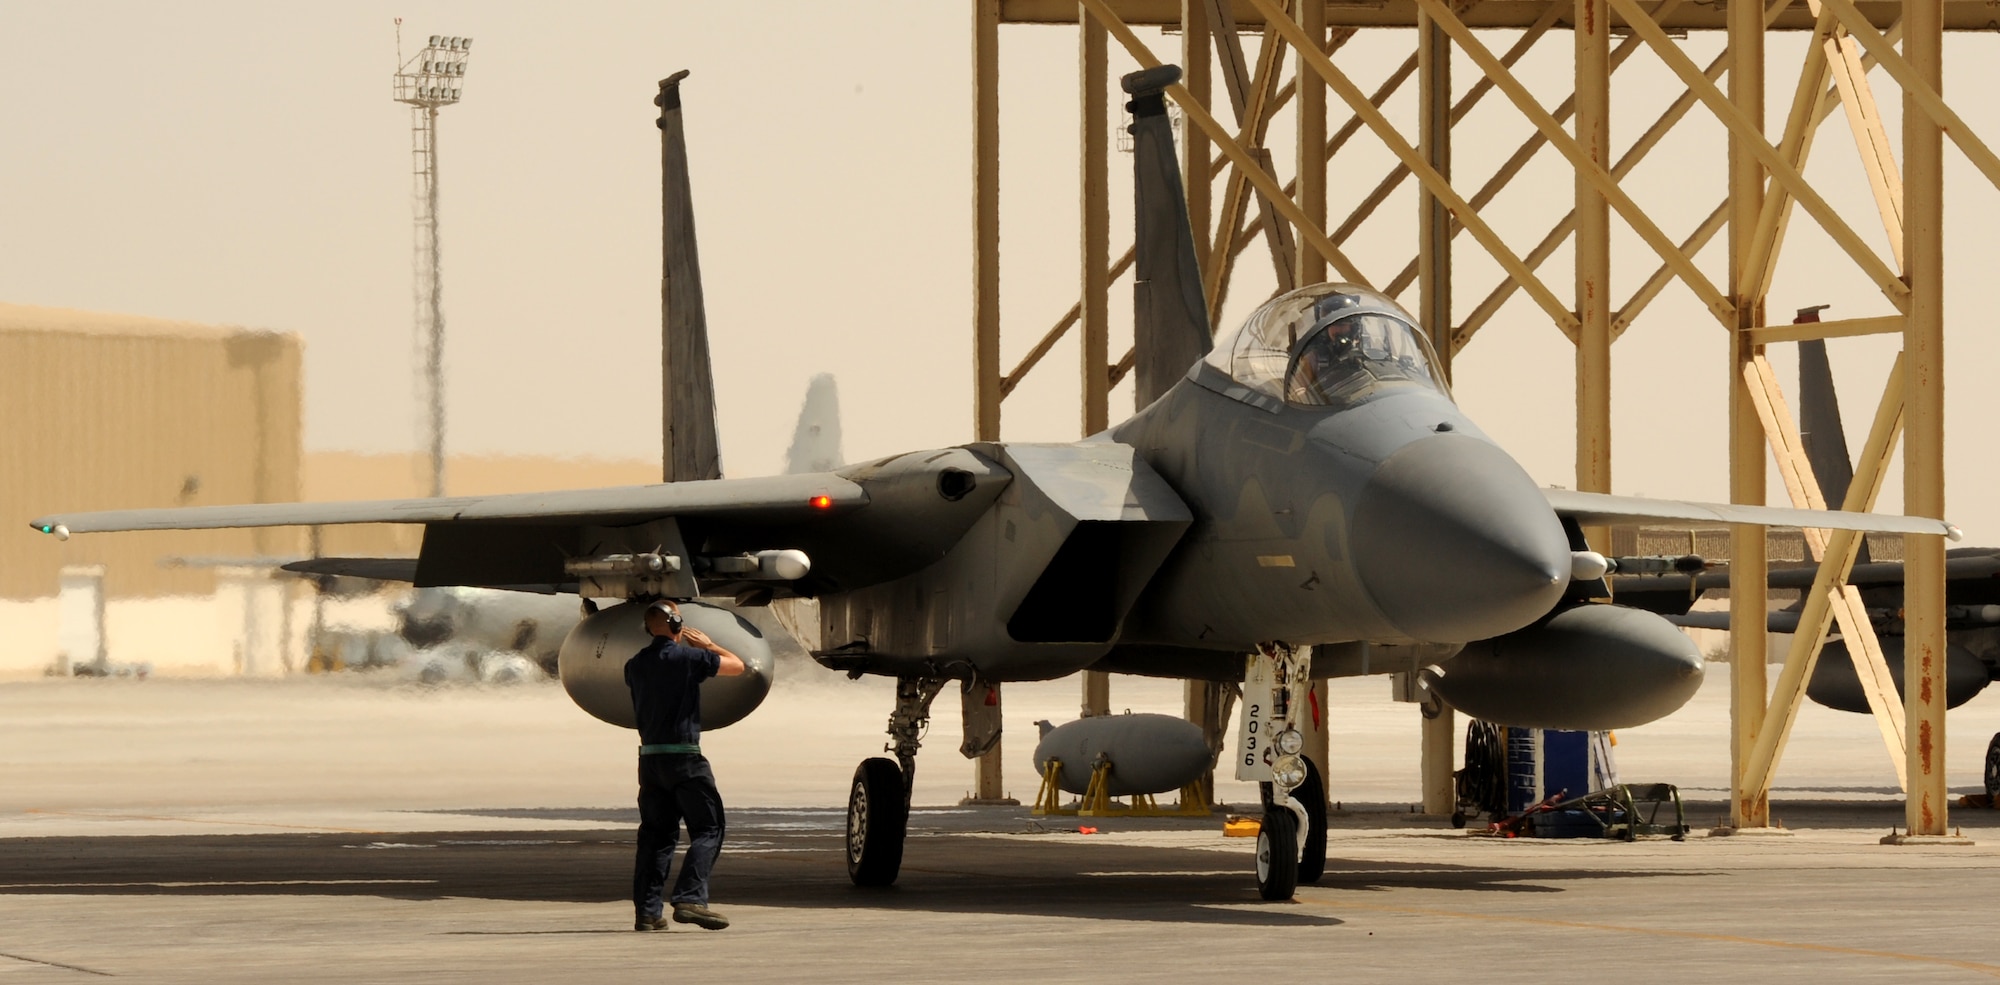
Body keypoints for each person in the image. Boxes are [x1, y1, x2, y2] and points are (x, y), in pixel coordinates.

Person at [626, 598, 747, 932]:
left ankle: (648, 913)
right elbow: (737, 666)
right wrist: (708, 645)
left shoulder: (634, 665)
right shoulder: (688, 658)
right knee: (709, 829)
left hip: (650, 761)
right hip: (685, 759)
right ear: (677, 625)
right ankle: (690, 898)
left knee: (656, 836)